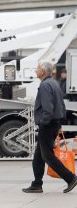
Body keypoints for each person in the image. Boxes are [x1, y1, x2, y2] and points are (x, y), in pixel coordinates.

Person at [22, 61, 77, 193]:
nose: (36, 71)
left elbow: (48, 108)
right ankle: (37, 184)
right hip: (53, 123)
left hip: (47, 124)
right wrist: (59, 123)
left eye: (37, 68)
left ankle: (70, 178)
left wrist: (43, 122)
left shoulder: (45, 85)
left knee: (47, 156)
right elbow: (62, 106)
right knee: (38, 156)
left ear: (43, 71)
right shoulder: (54, 83)